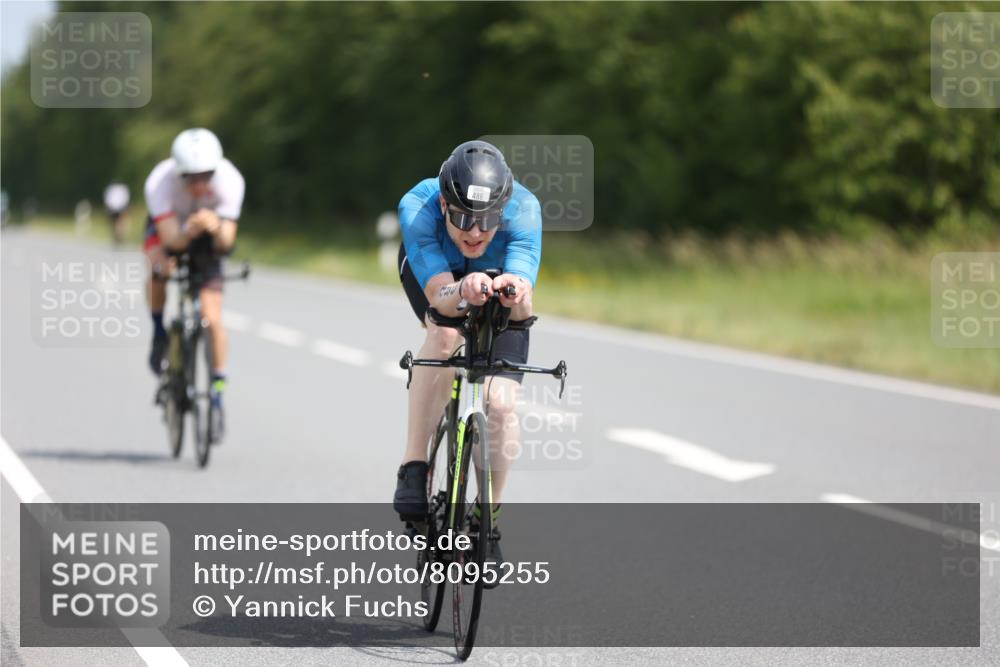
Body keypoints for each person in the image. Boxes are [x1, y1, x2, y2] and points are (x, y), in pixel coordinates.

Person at [393, 140, 542, 566]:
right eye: (461, 218)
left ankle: (487, 517)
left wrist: (514, 291)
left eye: (487, 221)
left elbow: (525, 303)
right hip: (438, 274)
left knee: (501, 404)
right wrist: (461, 290)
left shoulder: (525, 210)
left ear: (504, 209)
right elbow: (440, 295)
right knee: (443, 338)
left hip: (496, 280)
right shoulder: (418, 207)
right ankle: (415, 464)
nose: (474, 232)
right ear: (444, 204)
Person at [143, 128, 244, 439]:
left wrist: (214, 228)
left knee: (213, 319)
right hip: (171, 229)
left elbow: (227, 244)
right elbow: (171, 239)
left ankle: (217, 393)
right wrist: (187, 231)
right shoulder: (159, 182)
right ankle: (159, 332)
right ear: (178, 172)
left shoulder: (230, 179)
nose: (200, 183)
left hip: (208, 241)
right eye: (191, 177)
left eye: (206, 175)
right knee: (160, 268)